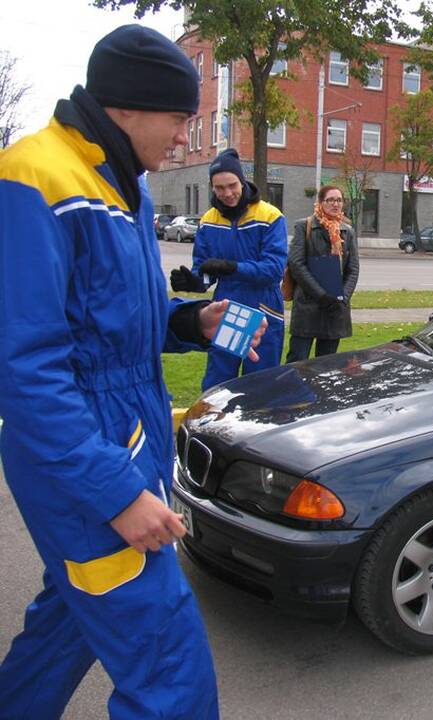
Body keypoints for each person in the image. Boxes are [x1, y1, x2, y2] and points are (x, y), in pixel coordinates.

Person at [0, 24, 268, 718]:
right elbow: (25, 369)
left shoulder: (124, 186)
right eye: (181, 119)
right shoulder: (34, 176)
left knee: (68, 623)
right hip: (81, 461)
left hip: (120, 436)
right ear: (130, 107)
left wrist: (188, 321)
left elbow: (109, 319)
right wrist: (115, 494)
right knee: (169, 673)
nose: (187, 138)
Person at [170, 148, 287, 390]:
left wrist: (232, 268)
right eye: (220, 188)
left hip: (263, 308)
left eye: (232, 185)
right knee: (218, 384)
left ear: (242, 181)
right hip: (225, 308)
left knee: (261, 385)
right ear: (212, 187)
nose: (228, 193)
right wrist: (194, 282)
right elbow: (204, 269)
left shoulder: (270, 216)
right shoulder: (208, 220)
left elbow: (274, 269)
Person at [286, 184, 360, 361]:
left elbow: (353, 269)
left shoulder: (347, 231)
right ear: (320, 202)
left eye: (339, 200)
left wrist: (343, 297)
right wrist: (321, 295)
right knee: (297, 360)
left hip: (335, 308)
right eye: (330, 200)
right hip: (308, 306)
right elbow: (296, 264)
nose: (335, 204)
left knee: (327, 364)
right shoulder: (305, 226)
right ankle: (294, 389)